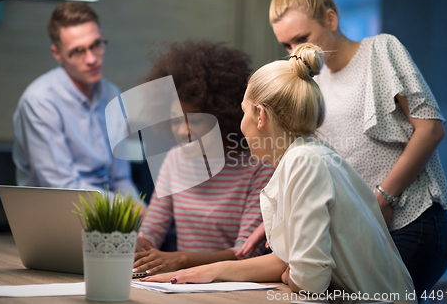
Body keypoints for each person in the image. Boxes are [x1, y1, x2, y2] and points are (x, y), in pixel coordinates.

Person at [141, 43, 416, 303]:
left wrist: (292, 274)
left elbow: (309, 280)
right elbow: (284, 261)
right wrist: (203, 273)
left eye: (244, 112)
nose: (241, 125)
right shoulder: (309, 154)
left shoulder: (303, 163)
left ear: (260, 116)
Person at [262, 0, 447, 298]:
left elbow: (431, 129)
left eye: (301, 37)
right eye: (286, 44)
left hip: (411, 222)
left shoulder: (381, 51)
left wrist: (384, 197)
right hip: (362, 233)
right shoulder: (312, 86)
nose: (295, 51)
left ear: (331, 19)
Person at [132, 41, 274, 276]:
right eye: (176, 121)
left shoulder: (258, 165)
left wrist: (181, 260)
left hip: (235, 286)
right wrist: (139, 242)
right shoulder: (174, 160)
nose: (183, 131)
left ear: (223, 118)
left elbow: (246, 252)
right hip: (183, 286)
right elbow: (152, 230)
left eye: (195, 121)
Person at [13, 1, 140, 200]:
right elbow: (62, 187)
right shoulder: (40, 101)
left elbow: (121, 178)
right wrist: (124, 207)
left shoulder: (112, 94)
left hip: (109, 217)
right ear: (58, 54)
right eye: (78, 51)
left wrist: (141, 211)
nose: (91, 59)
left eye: (96, 45)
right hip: (57, 218)